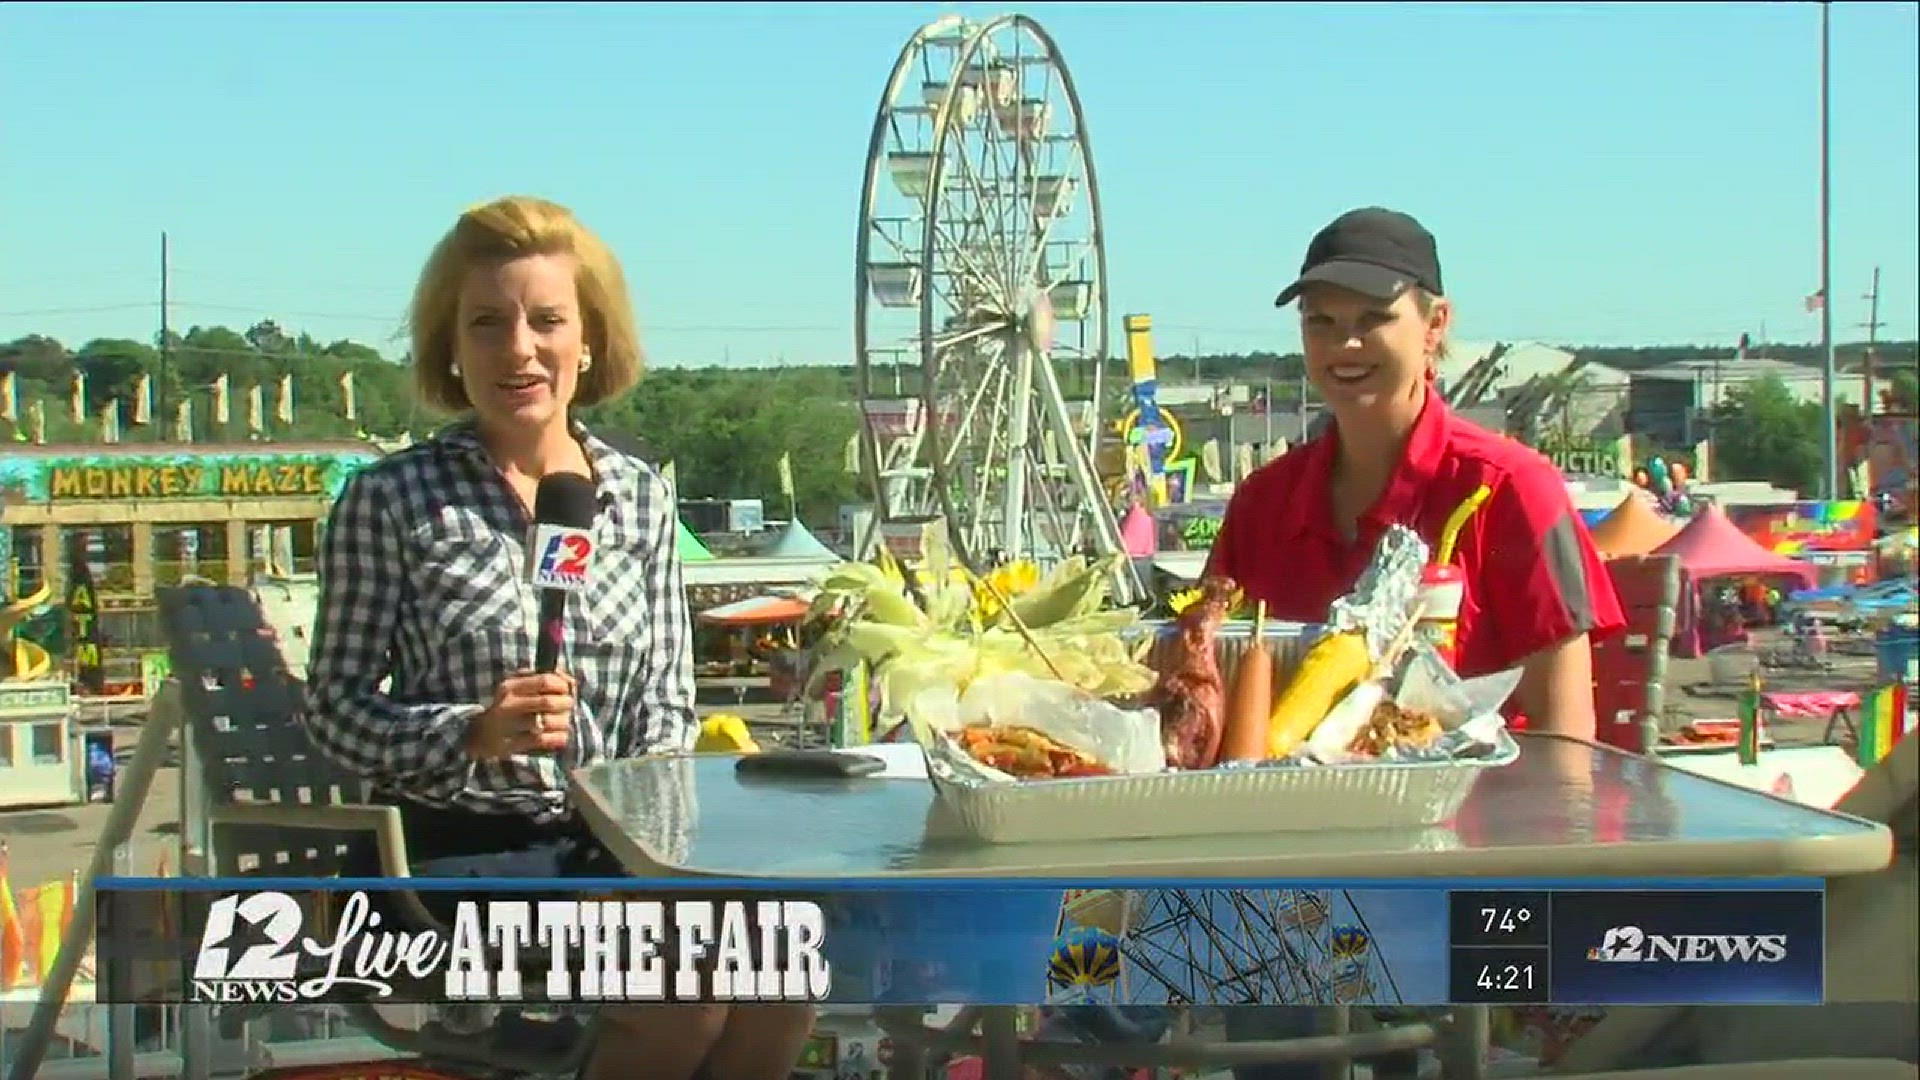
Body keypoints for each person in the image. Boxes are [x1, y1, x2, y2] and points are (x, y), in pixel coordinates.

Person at [302, 195, 814, 1080]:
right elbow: (333, 712)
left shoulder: (638, 496)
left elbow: (665, 698)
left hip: (609, 850)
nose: (520, 349)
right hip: (447, 855)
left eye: (547, 321)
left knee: (783, 976)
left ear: (590, 340)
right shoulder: (389, 499)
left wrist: (645, 815)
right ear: (451, 349)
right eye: (488, 324)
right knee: (683, 993)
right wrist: (470, 730)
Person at [1204, 208, 1626, 1079]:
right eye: (1321, 322)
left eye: (1372, 319)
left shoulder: (1513, 490)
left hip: (1457, 885)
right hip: (1275, 882)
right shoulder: (1263, 502)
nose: (1344, 344)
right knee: (1076, 967)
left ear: (1436, 327)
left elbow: (1567, 750)